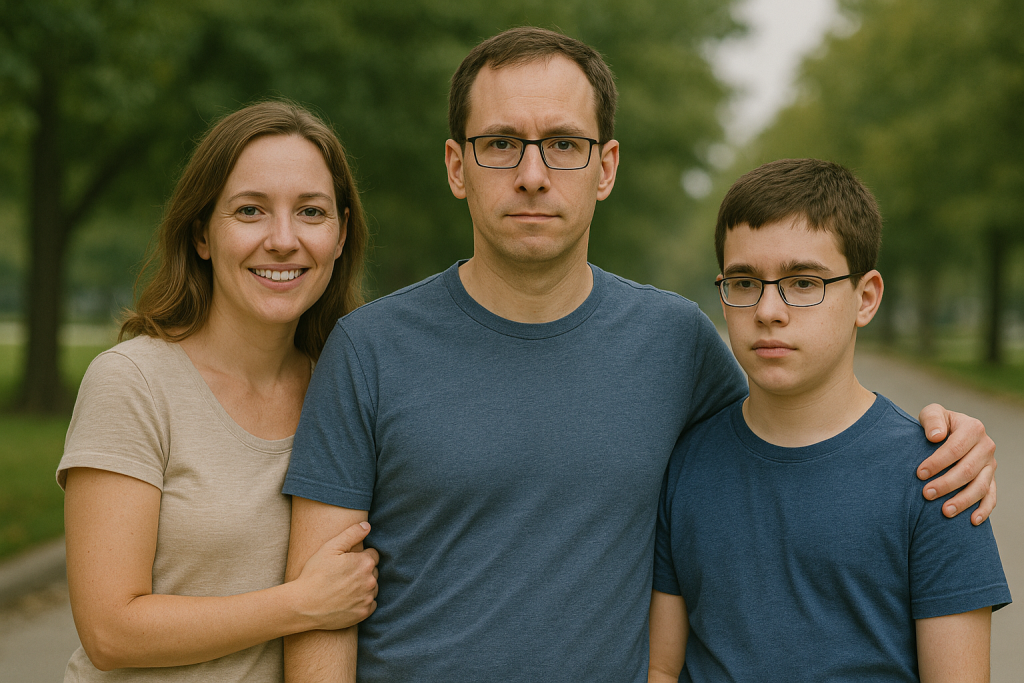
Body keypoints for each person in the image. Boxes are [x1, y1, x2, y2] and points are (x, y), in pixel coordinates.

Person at [281, 28, 999, 682]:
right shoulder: (368, 348)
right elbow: (318, 609)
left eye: (563, 143)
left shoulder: (675, 341)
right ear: (456, 165)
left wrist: (941, 439)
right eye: (500, 143)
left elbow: (795, 420)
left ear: (606, 166)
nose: (532, 174)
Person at [648, 159, 1011, 682]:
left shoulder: (938, 477)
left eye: (802, 282)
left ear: (865, 298)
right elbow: (662, 668)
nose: (769, 309)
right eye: (745, 282)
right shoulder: (685, 464)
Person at [57, 101, 379, 682]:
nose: (283, 240)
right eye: (250, 211)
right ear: (202, 233)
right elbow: (110, 631)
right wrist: (299, 604)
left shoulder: (349, 390)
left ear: (340, 235)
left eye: (310, 212)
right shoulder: (134, 383)